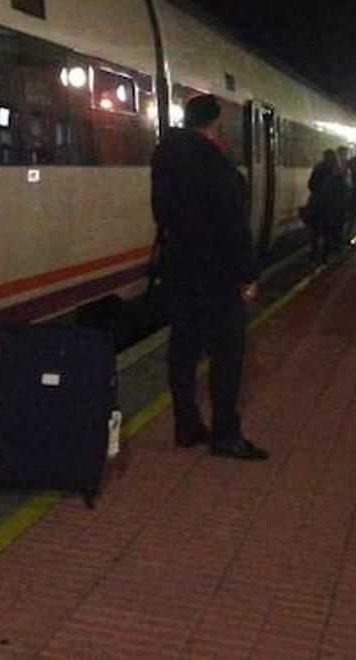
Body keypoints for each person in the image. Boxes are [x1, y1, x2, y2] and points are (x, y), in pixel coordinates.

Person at [150, 94, 268, 460]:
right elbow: (234, 228)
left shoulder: (164, 158)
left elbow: (162, 214)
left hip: (180, 271)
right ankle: (225, 434)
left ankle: (186, 426)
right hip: (216, 277)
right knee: (226, 357)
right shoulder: (216, 166)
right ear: (215, 123)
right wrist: (247, 275)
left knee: (182, 353)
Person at [307, 148, 351, 262]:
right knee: (328, 231)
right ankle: (326, 255)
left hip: (318, 205)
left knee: (316, 231)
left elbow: (311, 184)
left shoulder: (318, 168)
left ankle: (314, 253)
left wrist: (317, 195)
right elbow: (344, 189)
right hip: (331, 207)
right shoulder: (337, 170)